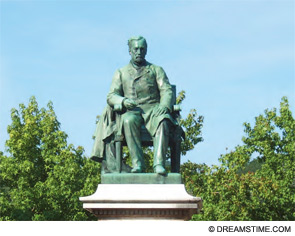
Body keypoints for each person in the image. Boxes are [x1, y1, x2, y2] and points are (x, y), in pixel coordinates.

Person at [106, 36, 176, 174]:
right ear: (130, 51)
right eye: (136, 49)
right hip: (133, 110)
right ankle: (138, 164)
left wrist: (164, 106)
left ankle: (158, 164)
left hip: (153, 109)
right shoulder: (121, 72)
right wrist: (123, 101)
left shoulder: (156, 69)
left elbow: (166, 90)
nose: (139, 52)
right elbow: (111, 96)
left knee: (163, 120)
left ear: (146, 51)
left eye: (142, 49)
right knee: (128, 120)